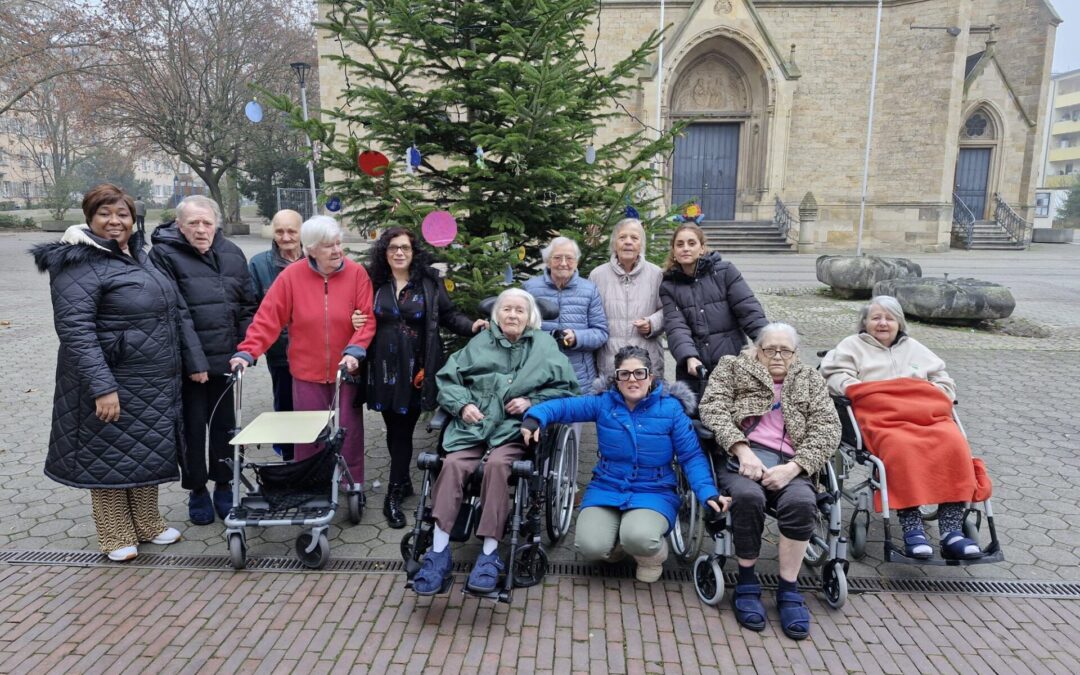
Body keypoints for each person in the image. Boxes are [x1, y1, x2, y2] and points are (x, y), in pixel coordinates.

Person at [31, 184, 196, 561]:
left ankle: (148, 523)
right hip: (109, 378)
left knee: (144, 449)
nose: (115, 221)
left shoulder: (140, 255)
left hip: (151, 378)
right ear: (89, 218)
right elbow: (76, 330)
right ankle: (114, 532)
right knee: (108, 452)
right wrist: (102, 386)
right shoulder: (78, 263)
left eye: (122, 214)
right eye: (105, 213)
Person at [410, 289, 578, 596]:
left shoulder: (545, 346)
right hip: (473, 426)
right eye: (507, 310)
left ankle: (489, 555)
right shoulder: (480, 343)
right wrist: (462, 405)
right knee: (452, 464)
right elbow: (447, 379)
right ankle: (438, 552)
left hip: (514, 431)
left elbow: (567, 390)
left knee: (499, 466)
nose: (513, 315)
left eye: (519, 311)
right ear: (496, 315)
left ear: (530, 317)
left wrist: (531, 401)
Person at [522, 346, 729, 582]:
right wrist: (534, 417)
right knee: (590, 546)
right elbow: (563, 407)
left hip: (654, 489)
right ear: (616, 379)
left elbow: (691, 457)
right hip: (607, 486)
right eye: (624, 374)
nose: (632, 380)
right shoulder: (604, 403)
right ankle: (618, 544)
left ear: (650, 377)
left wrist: (708, 494)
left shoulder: (671, 409)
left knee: (640, 537)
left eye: (639, 373)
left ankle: (651, 555)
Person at [698, 323, 841, 640]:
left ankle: (788, 589)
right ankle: (747, 581)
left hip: (792, 462)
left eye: (785, 350)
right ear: (757, 349)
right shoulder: (733, 368)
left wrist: (795, 467)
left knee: (802, 504)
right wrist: (742, 450)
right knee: (748, 499)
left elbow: (828, 428)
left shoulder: (809, 379)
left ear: (795, 353)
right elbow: (712, 407)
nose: (777, 356)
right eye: (769, 349)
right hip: (742, 459)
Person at [819, 296, 983, 561]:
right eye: (875, 318)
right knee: (902, 447)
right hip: (884, 420)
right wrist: (866, 390)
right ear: (864, 322)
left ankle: (951, 530)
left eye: (889, 318)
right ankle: (912, 527)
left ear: (899, 323)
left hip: (926, 416)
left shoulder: (915, 347)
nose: (882, 323)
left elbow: (943, 380)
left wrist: (929, 393)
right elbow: (835, 377)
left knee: (954, 443)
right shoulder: (851, 346)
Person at [231, 216, 376, 498]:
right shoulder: (292, 276)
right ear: (310, 249)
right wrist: (247, 351)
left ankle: (352, 483)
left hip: (345, 370)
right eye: (327, 246)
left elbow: (367, 319)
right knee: (308, 436)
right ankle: (311, 484)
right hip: (305, 372)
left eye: (338, 243)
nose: (336, 251)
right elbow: (267, 319)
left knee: (348, 431)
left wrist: (355, 350)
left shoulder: (357, 273)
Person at [355, 227, 487, 529]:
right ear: (383, 252)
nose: (398, 253)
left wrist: (473, 327)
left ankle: (394, 491)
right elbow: (358, 313)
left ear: (414, 252)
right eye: (392, 248)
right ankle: (401, 483)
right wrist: (354, 318)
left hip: (417, 370)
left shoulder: (428, 282)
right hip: (383, 371)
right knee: (394, 430)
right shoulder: (373, 281)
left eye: (405, 248)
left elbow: (450, 315)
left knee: (404, 429)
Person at [150, 195, 257, 526]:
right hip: (187, 366)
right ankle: (197, 489)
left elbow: (248, 305)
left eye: (206, 222)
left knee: (227, 428)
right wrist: (194, 363)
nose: (201, 229)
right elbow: (174, 313)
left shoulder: (233, 254)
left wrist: (244, 350)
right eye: (193, 223)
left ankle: (224, 485)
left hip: (227, 362)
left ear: (217, 224)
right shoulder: (162, 255)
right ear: (180, 226)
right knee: (192, 431)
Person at [659, 224, 767, 395]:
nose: (685, 248)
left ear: (702, 248)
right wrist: (688, 356)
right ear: (673, 250)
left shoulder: (725, 272)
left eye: (691, 243)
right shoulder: (669, 285)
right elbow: (676, 325)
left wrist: (768, 344)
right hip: (695, 367)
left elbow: (748, 310)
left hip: (731, 361)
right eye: (680, 244)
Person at [248, 209, 304, 460]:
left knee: (315, 408)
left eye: (291, 230)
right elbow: (254, 308)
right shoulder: (260, 264)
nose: (286, 236)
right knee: (285, 405)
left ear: (301, 232)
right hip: (281, 352)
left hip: (315, 353)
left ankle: (314, 459)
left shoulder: (314, 258)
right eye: (279, 231)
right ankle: (289, 461)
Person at [522, 236, 608, 391]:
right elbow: (519, 331)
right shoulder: (529, 289)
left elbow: (601, 332)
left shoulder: (589, 290)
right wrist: (549, 338)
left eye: (569, 258)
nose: (563, 263)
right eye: (557, 258)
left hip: (581, 378)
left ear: (576, 262)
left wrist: (577, 337)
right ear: (547, 261)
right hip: (539, 375)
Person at [588, 218, 665, 380]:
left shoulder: (656, 274)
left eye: (634, 238)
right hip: (609, 362)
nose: (628, 242)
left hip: (646, 364)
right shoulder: (597, 275)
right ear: (614, 243)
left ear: (641, 245)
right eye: (622, 238)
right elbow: (589, 316)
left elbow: (668, 311)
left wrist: (652, 323)